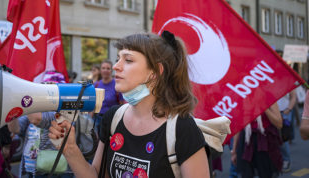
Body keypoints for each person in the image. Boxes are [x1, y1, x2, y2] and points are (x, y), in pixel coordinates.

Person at [49, 32, 210, 177]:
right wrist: (70, 149)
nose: (115, 66)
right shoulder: (113, 118)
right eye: (118, 59)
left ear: (154, 72)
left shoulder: (182, 128)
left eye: (128, 60)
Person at [8, 71, 74, 178]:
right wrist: (11, 109)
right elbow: (15, 129)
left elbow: (36, 119)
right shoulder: (36, 110)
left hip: (51, 170)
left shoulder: (63, 113)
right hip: (29, 170)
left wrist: (24, 98)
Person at [231, 103, 283, 178]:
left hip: (265, 141)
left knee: (266, 174)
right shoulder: (242, 100)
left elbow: (279, 123)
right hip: (247, 141)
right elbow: (238, 126)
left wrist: (264, 108)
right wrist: (234, 151)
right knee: (246, 174)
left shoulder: (268, 97)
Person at [93, 60, 124, 131]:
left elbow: (121, 104)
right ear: (100, 70)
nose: (105, 70)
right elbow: (93, 102)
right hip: (97, 118)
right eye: (103, 68)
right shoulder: (96, 85)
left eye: (108, 68)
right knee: (97, 140)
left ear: (111, 70)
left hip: (112, 119)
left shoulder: (117, 84)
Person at [277, 90, 296, 172]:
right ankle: (277, 160)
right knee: (272, 137)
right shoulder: (268, 79)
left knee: (283, 138)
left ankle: (286, 160)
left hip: (285, 113)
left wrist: (289, 109)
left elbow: (293, 96)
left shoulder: (288, 79)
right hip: (273, 112)